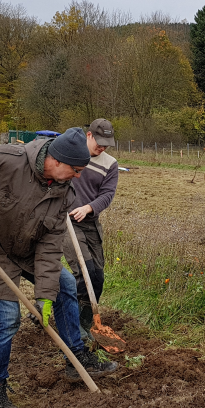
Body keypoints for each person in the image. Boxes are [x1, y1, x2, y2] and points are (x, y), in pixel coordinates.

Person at [0, 127, 119, 408]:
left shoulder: (63, 192)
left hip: (27, 250)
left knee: (65, 284)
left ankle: (75, 357)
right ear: (56, 160)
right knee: (7, 318)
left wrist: (44, 297)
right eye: (76, 170)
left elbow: (48, 247)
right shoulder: (3, 159)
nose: (79, 177)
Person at [64, 119, 118, 338]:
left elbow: (107, 195)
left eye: (107, 143)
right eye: (99, 141)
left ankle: (86, 320)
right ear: (89, 135)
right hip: (66, 221)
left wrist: (88, 208)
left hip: (90, 221)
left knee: (97, 276)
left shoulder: (110, 164)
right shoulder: (70, 154)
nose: (102, 147)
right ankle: (73, 323)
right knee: (83, 271)